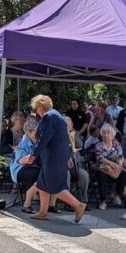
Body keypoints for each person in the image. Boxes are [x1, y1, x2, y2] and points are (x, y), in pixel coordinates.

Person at [21, 95, 86, 223]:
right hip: (56, 155)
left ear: (40, 106)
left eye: (36, 108)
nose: (37, 112)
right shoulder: (57, 115)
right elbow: (63, 139)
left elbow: (43, 139)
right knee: (42, 183)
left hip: (52, 157)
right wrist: (66, 156)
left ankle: (78, 205)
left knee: (55, 186)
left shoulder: (48, 117)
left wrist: (33, 155)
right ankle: (43, 211)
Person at [93, 124, 126, 210]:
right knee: (102, 177)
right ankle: (103, 201)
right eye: (104, 133)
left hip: (115, 167)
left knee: (124, 175)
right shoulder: (98, 145)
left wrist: (118, 166)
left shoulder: (116, 144)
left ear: (112, 135)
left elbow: (121, 157)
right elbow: (100, 158)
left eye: (108, 133)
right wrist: (112, 164)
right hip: (102, 168)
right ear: (101, 134)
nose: (106, 135)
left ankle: (116, 193)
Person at [11, 119, 41, 213]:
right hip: (20, 170)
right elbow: (20, 160)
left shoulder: (39, 142)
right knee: (38, 174)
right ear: (28, 132)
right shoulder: (23, 143)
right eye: (35, 131)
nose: (38, 132)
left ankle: (49, 205)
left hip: (34, 168)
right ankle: (27, 204)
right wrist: (31, 156)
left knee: (46, 173)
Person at [64, 116, 89, 208]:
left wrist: (71, 136)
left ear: (71, 125)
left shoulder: (75, 134)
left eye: (67, 125)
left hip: (76, 165)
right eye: (64, 124)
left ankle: (83, 200)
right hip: (63, 166)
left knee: (84, 175)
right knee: (66, 175)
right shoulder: (58, 135)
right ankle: (68, 201)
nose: (66, 126)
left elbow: (80, 145)